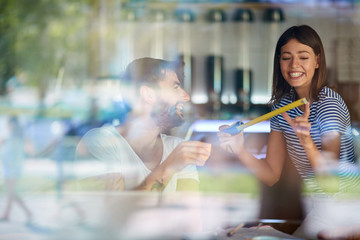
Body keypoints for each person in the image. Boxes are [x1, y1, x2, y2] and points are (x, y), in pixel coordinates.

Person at [218, 24, 357, 194]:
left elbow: (330, 182)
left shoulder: (329, 104)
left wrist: (305, 140)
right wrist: (239, 149)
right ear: (279, 61)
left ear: (317, 61)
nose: (294, 65)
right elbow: (271, 175)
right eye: (286, 57)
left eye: (303, 57)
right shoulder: (282, 106)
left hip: (344, 203)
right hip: (317, 202)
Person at [75, 57, 211, 192]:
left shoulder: (176, 147)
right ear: (148, 94)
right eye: (175, 87)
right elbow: (114, 210)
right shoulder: (101, 141)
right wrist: (170, 166)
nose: (186, 96)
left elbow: (188, 211)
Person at [0, 116, 33, 223]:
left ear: (13, 124)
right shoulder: (8, 135)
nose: (7, 126)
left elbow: (30, 148)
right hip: (8, 167)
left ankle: (10, 213)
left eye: (9, 123)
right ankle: (8, 213)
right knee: (10, 192)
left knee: (11, 192)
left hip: (13, 168)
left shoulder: (19, 136)